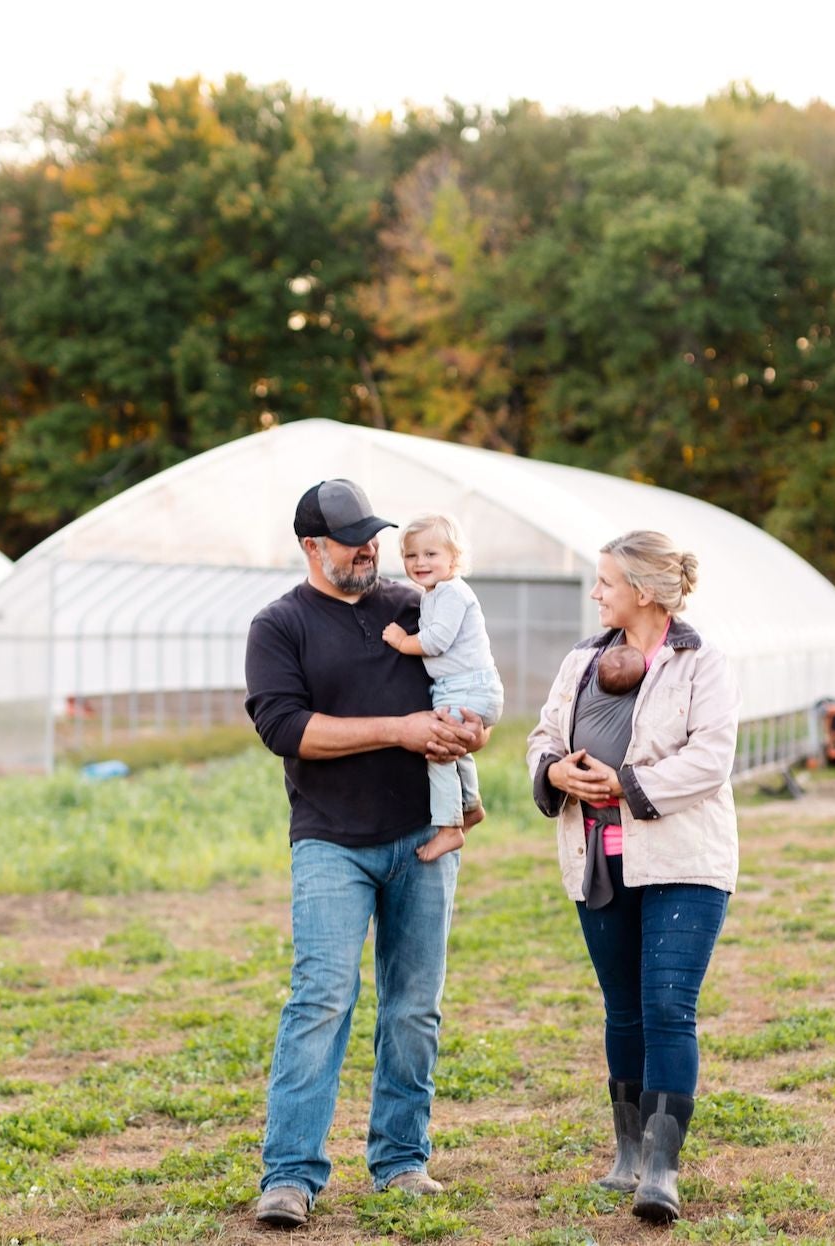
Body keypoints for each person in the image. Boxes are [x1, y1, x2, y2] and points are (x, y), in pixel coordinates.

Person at [244, 478, 487, 1229]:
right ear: (312, 546)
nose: (371, 550)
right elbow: (287, 729)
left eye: (373, 536)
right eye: (353, 539)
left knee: (414, 1008)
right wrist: (400, 728)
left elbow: (463, 679)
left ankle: (401, 1160)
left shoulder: (412, 603)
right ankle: (289, 1175)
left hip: (422, 835)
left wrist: (466, 728)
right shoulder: (279, 625)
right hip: (330, 841)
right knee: (321, 998)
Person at [526, 530, 740, 1224]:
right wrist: (554, 770)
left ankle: (661, 1168)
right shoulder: (580, 661)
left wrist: (623, 784)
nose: (594, 594)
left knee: (667, 1008)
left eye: (605, 583)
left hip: (682, 861)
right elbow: (543, 734)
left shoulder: (700, 663)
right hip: (599, 859)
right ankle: (625, 1155)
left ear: (642, 592)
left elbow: (710, 759)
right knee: (622, 1010)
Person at [380, 514, 505, 862]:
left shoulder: (452, 592)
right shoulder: (436, 592)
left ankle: (450, 828)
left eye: (431, 554)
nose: (420, 562)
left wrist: (403, 641)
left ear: (454, 558)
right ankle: (470, 806)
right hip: (461, 688)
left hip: (468, 687)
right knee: (456, 750)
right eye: (411, 555)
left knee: (437, 748)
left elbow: (437, 640)